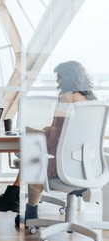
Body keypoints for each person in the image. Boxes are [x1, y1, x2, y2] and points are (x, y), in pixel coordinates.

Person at [25, 60, 97, 221]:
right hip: (88, 166)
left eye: (60, 77)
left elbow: (53, 138)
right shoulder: (92, 101)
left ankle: (31, 210)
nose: (58, 81)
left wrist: (32, 131)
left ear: (68, 77)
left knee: (32, 155)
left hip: (63, 165)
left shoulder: (67, 98)